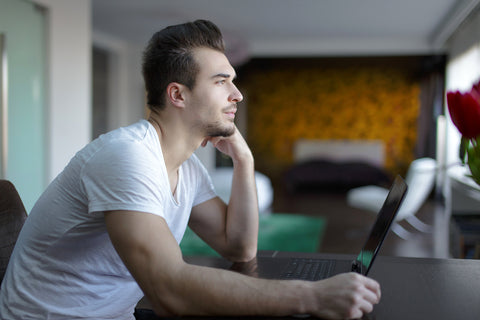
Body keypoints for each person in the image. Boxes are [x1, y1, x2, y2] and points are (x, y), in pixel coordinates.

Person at [0, 20, 381, 320]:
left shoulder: (188, 167)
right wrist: (312, 296)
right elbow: (170, 291)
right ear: (177, 94)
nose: (238, 94)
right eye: (222, 81)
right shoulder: (126, 157)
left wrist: (244, 162)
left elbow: (239, 246)